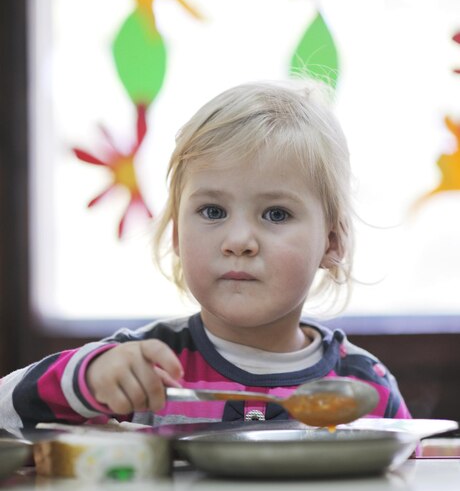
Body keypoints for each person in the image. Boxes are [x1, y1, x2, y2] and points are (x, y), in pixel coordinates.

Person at [0, 79, 411, 433]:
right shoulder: (140, 367)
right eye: (212, 211)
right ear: (177, 235)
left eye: (276, 214)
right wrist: (88, 378)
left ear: (332, 242)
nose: (238, 241)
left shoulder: (364, 385)